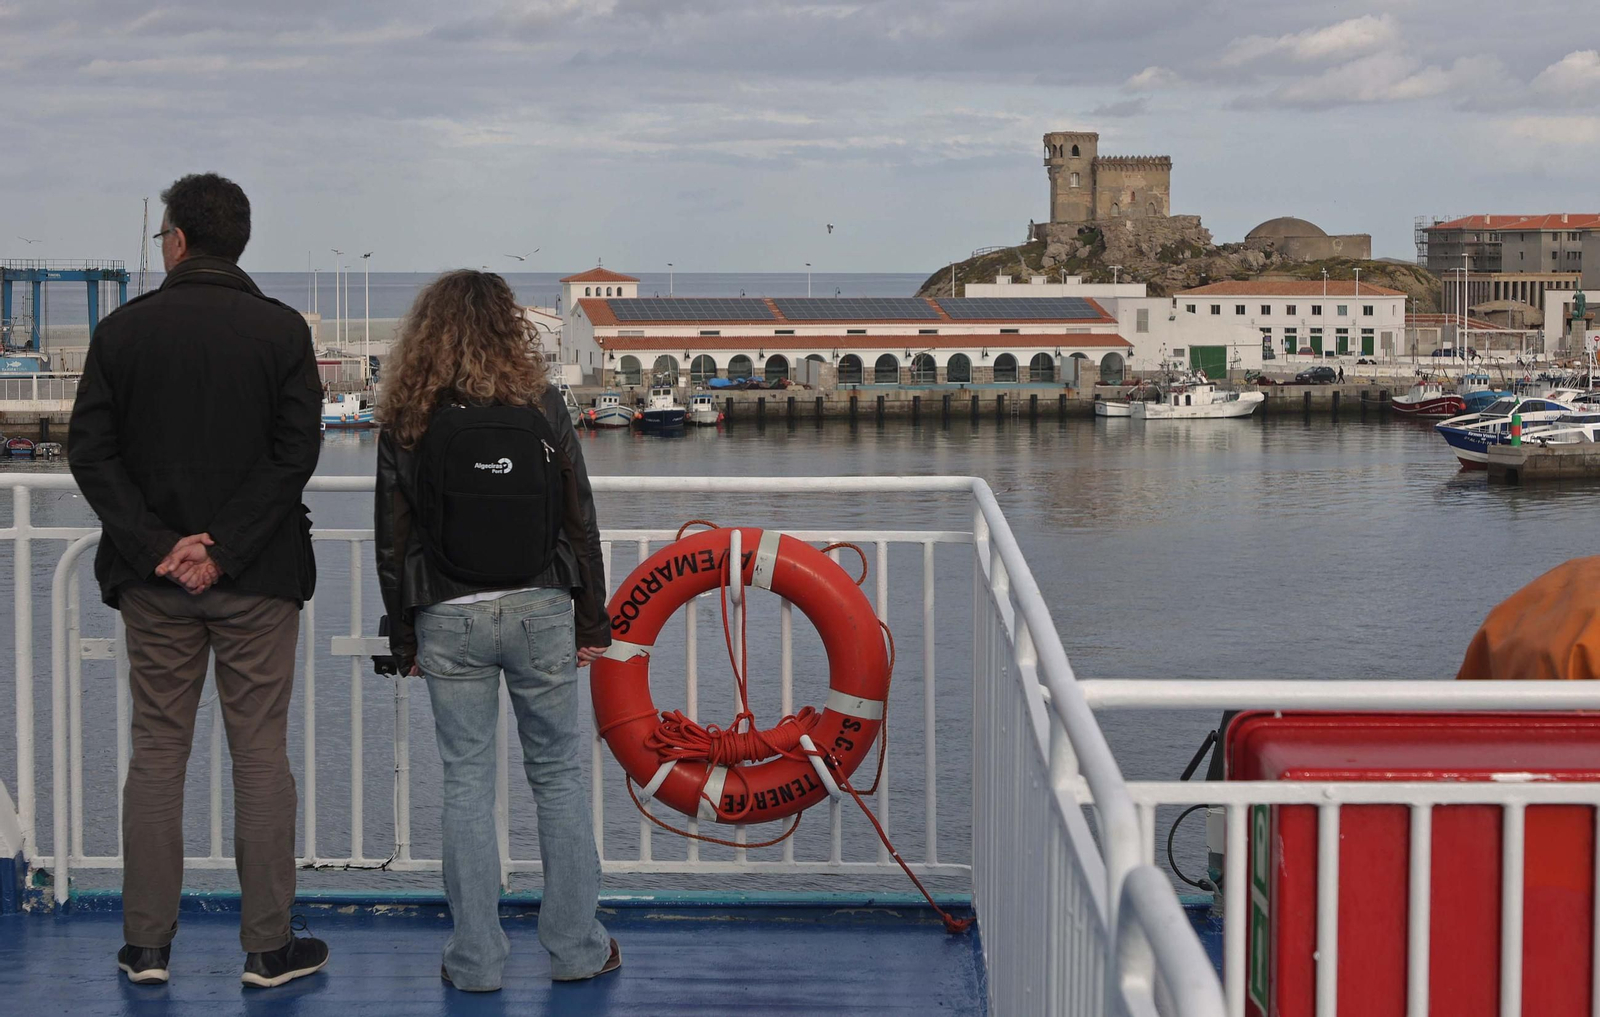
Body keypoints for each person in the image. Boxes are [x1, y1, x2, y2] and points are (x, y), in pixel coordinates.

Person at [68, 173, 327, 987]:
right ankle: (266, 947)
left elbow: (90, 452)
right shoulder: (282, 333)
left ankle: (146, 946)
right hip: (258, 580)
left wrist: (160, 546)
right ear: (238, 241)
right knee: (258, 756)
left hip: (154, 589)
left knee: (157, 753)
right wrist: (224, 547)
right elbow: (296, 453)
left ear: (176, 239)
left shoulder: (122, 332)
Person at [374, 270, 618, 990]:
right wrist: (592, 617)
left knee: (467, 784)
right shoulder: (541, 402)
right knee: (558, 778)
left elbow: (392, 535)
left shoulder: (410, 413)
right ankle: (576, 949)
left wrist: (404, 637)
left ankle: (476, 961)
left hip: (448, 612)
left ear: (427, 331)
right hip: (543, 605)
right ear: (510, 328)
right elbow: (581, 515)